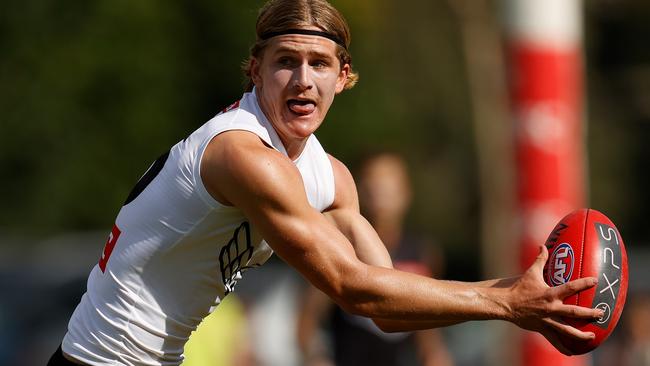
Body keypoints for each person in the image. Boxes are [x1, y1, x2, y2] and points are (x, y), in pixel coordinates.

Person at [48, 0, 604, 365]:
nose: (303, 81)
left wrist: (515, 297)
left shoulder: (329, 177)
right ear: (255, 70)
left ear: (343, 76)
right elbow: (349, 286)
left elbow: (386, 306)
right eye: (286, 61)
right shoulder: (243, 155)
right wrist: (510, 301)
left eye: (319, 64)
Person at [296, 152, 453, 366]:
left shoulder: (422, 253)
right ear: (360, 189)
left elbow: (427, 329)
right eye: (373, 182)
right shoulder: (341, 246)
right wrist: (316, 357)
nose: (380, 192)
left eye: (389, 184)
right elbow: (308, 321)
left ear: (405, 192)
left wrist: (435, 356)